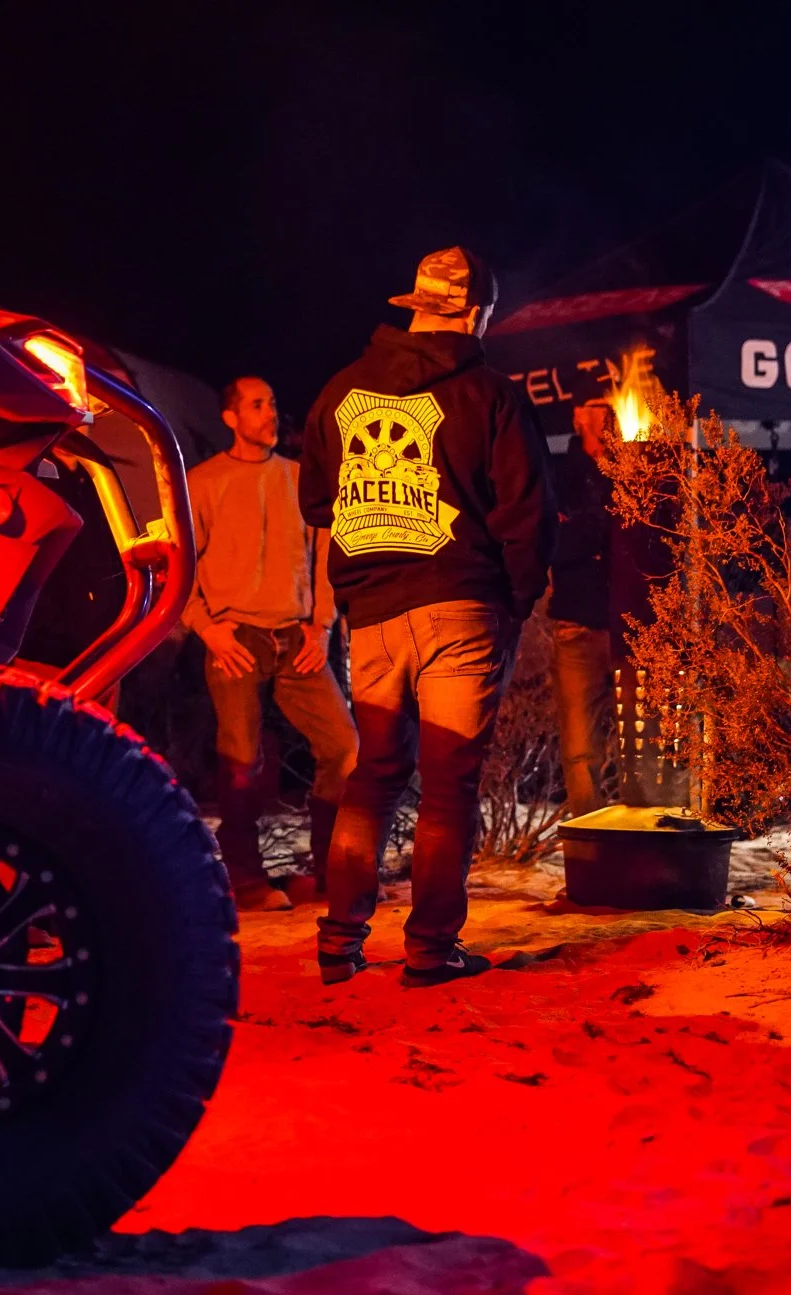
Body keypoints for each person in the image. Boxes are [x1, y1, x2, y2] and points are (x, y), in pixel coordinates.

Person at [300, 246, 556, 987]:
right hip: (461, 604)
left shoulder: (339, 393)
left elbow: (318, 505)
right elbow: (527, 515)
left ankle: (339, 940)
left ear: (412, 303)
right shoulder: (491, 396)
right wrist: (516, 598)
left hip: (373, 613)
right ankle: (430, 951)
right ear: (475, 314)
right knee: (448, 786)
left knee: (374, 772)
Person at [186, 376, 358, 913]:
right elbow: (179, 560)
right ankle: (245, 881)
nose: (268, 413)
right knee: (241, 762)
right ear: (231, 418)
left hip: (296, 636)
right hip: (235, 636)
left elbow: (326, 554)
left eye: (272, 402)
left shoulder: (300, 478)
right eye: (256, 405)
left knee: (345, 748)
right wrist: (205, 626)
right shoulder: (204, 482)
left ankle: (332, 870)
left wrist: (321, 625)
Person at [550, 398, 617, 817]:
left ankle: (643, 840)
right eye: (598, 405)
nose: (609, 411)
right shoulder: (562, 476)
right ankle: (593, 846)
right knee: (580, 749)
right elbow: (556, 545)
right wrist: (594, 529)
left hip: (632, 624)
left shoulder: (637, 470)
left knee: (648, 743)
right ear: (578, 416)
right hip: (578, 623)